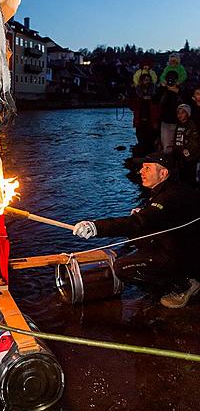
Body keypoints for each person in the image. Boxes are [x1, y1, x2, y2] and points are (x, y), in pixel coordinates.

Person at [73, 152, 200, 308]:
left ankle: (183, 284)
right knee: (136, 233)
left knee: (121, 267)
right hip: (182, 245)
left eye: (147, 168)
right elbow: (160, 218)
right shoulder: (170, 189)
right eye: (142, 167)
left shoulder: (170, 197)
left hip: (187, 255)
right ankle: (172, 274)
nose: (141, 171)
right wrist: (145, 214)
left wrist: (95, 227)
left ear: (163, 173)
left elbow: (137, 222)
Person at [128, 72, 160, 157]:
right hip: (140, 121)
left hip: (151, 121)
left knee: (151, 141)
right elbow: (132, 106)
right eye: (145, 80)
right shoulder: (136, 93)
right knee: (142, 140)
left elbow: (158, 107)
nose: (147, 82)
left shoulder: (155, 93)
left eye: (148, 80)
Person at [173, 104, 200, 186]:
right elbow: (176, 139)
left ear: (188, 114)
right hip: (180, 155)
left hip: (190, 157)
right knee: (182, 175)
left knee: (190, 176)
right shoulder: (178, 125)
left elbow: (195, 142)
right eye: (178, 113)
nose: (180, 115)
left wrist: (188, 151)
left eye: (182, 113)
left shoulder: (192, 125)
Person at [158, 70, 182, 152]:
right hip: (166, 121)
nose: (171, 81)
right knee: (166, 145)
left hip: (178, 122)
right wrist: (162, 88)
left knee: (178, 145)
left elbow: (187, 100)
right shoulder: (163, 91)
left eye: (173, 79)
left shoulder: (181, 91)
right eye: (169, 79)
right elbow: (155, 100)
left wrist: (176, 90)